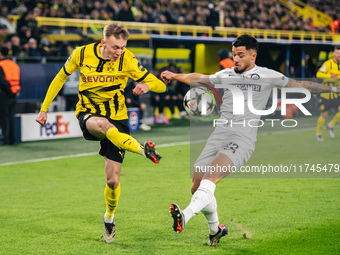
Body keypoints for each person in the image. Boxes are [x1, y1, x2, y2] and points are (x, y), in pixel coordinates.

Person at [161, 35, 340, 246]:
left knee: (211, 177)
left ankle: (185, 215)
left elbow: (300, 84)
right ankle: (215, 231)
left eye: (240, 55)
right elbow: (201, 78)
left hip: (242, 138)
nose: (235, 59)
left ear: (253, 56)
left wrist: (334, 89)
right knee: (196, 187)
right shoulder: (226, 74)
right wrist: (175, 75)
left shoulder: (267, 75)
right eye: (234, 54)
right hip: (218, 135)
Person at [35, 21, 166, 243]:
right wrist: (44, 108)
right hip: (89, 114)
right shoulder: (82, 53)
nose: (119, 52)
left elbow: (161, 85)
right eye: (116, 47)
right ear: (103, 42)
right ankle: (143, 150)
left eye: (123, 47)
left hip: (118, 117)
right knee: (105, 126)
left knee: (112, 181)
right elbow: (60, 78)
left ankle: (109, 218)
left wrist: (148, 85)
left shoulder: (128, 59)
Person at [315, 45, 340, 141]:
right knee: (324, 115)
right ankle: (318, 134)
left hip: (337, 93)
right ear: (334, 54)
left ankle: (331, 125)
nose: (339, 55)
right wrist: (330, 75)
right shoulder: (328, 64)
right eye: (337, 53)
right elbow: (318, 74)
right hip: (327, 93)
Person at [0, 46, 20, 145]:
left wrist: (9, 92)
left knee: (4, 117)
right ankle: (12, 139)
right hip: (14, 93)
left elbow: (2, 82)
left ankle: (5, 139)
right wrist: (15, 91)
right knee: (11, 116)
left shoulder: (1, 65)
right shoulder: (14, 65)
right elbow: (19, 80)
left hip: (4, 94)